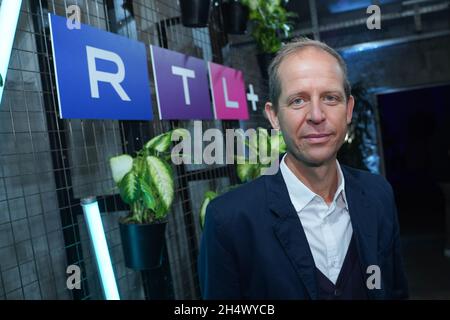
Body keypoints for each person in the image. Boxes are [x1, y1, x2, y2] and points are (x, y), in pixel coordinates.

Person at [198, 37, 409, 300]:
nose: (317, 115)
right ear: (274, 116)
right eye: (298, 101)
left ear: (348, 110)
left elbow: (396, 291)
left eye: (330, 98)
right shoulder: (229, 220)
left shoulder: (378, 193)